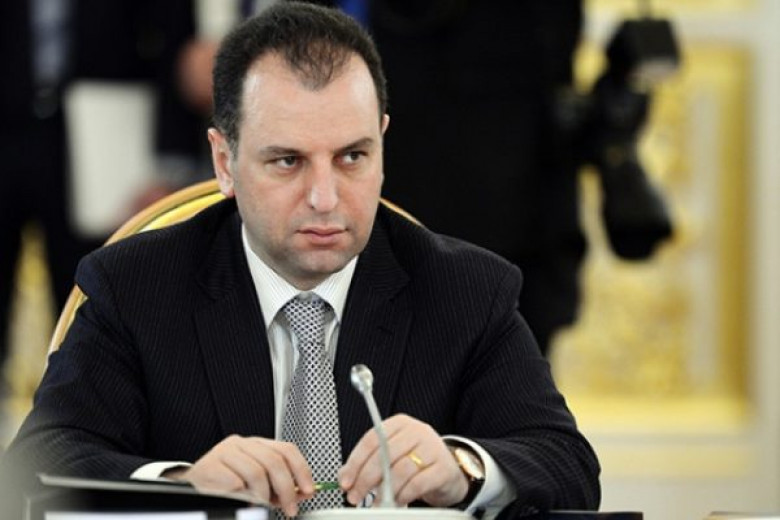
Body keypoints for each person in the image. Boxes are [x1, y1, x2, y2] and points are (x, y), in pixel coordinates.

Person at [1, 3, 600, 518]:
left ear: (382, 144)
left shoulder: (464, 288)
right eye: (287, 161)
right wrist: (184, 483)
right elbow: (38, 462)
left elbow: (566, 463)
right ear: (224, 162)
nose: (324, 198)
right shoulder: (137, 287)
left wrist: (463, 467)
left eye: (352, 157)